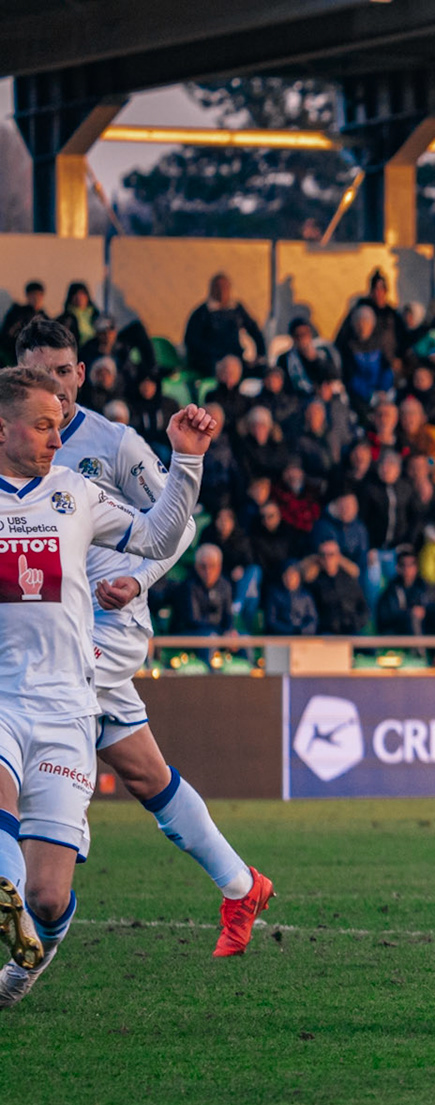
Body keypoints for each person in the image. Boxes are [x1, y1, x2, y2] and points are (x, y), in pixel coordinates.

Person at [17, 319, 273, 972]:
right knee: (144, 771)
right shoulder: (14, 441)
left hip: (107, 631)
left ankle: (57, 828)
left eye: (65, 371)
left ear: (80, 372)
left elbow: (175, 526)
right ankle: (241, 885)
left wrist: (140, 578)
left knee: (35, 706)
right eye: (40, 373)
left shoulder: (115, 443)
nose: (57, 386)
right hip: (56, 625)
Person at [0, 367, 219, 998]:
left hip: (69, 708)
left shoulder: (75, 493)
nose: (54, 438)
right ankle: (4, 890)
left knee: (49, 896)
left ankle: (24, 956)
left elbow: (160, 535)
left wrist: (187, 461)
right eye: (41, 426)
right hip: (4, 701)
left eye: (59, 425)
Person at [183, 273, 266, 377]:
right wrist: (214, 357)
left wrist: (260, 354)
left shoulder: (237, 309)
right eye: (218, 287)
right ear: (211, 289)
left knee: (262, 371)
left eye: (225, 287)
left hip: (236, 357)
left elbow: (254, 329)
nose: (222, 291)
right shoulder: (202, 313)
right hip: (211, 361)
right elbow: (192, 342)